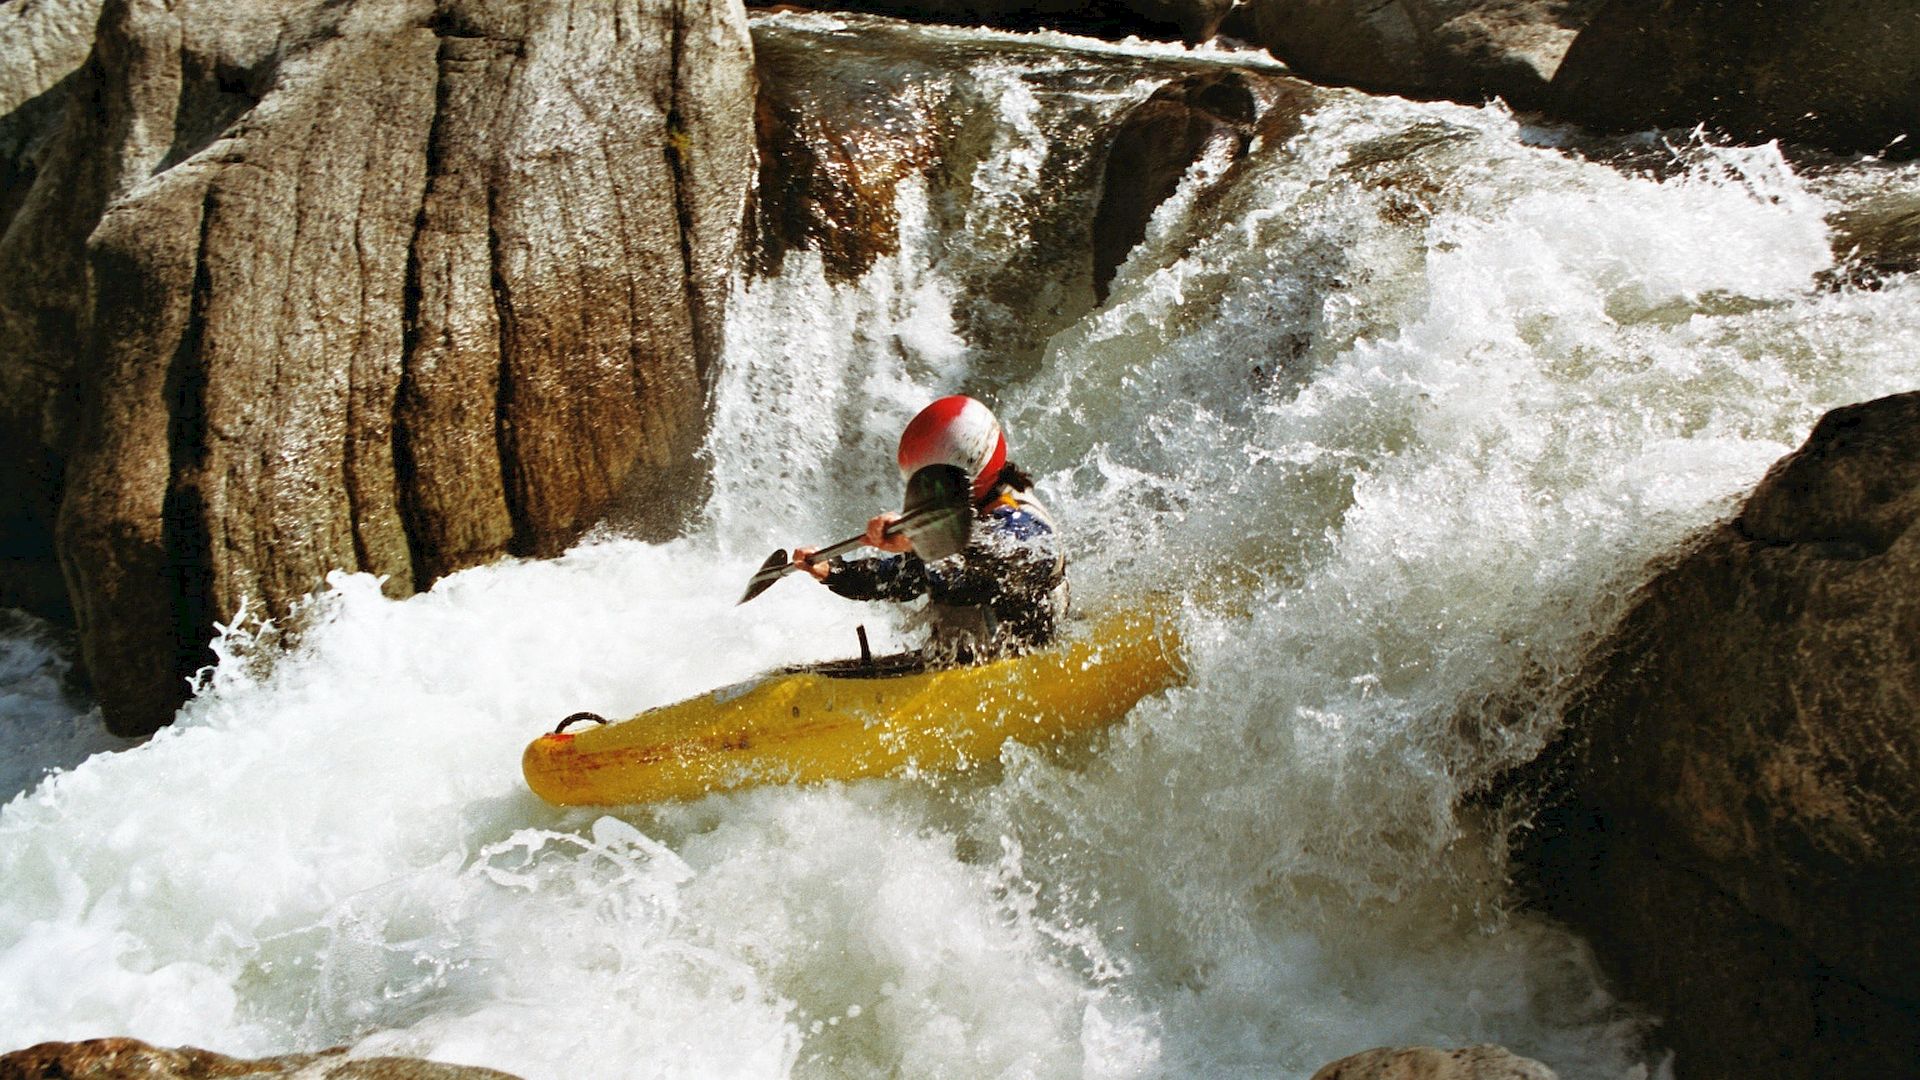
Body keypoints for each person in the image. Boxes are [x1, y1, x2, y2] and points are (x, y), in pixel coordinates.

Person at [793, 395, 1067, 664]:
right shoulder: (956, 527)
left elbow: (1006, 551)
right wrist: (833, 571)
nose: (926, 496)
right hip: (966, 662)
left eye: (933, 486)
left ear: (969, 475)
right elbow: (900, 578)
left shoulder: (1026, 524)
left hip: (1025, 664)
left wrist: (918, 537)